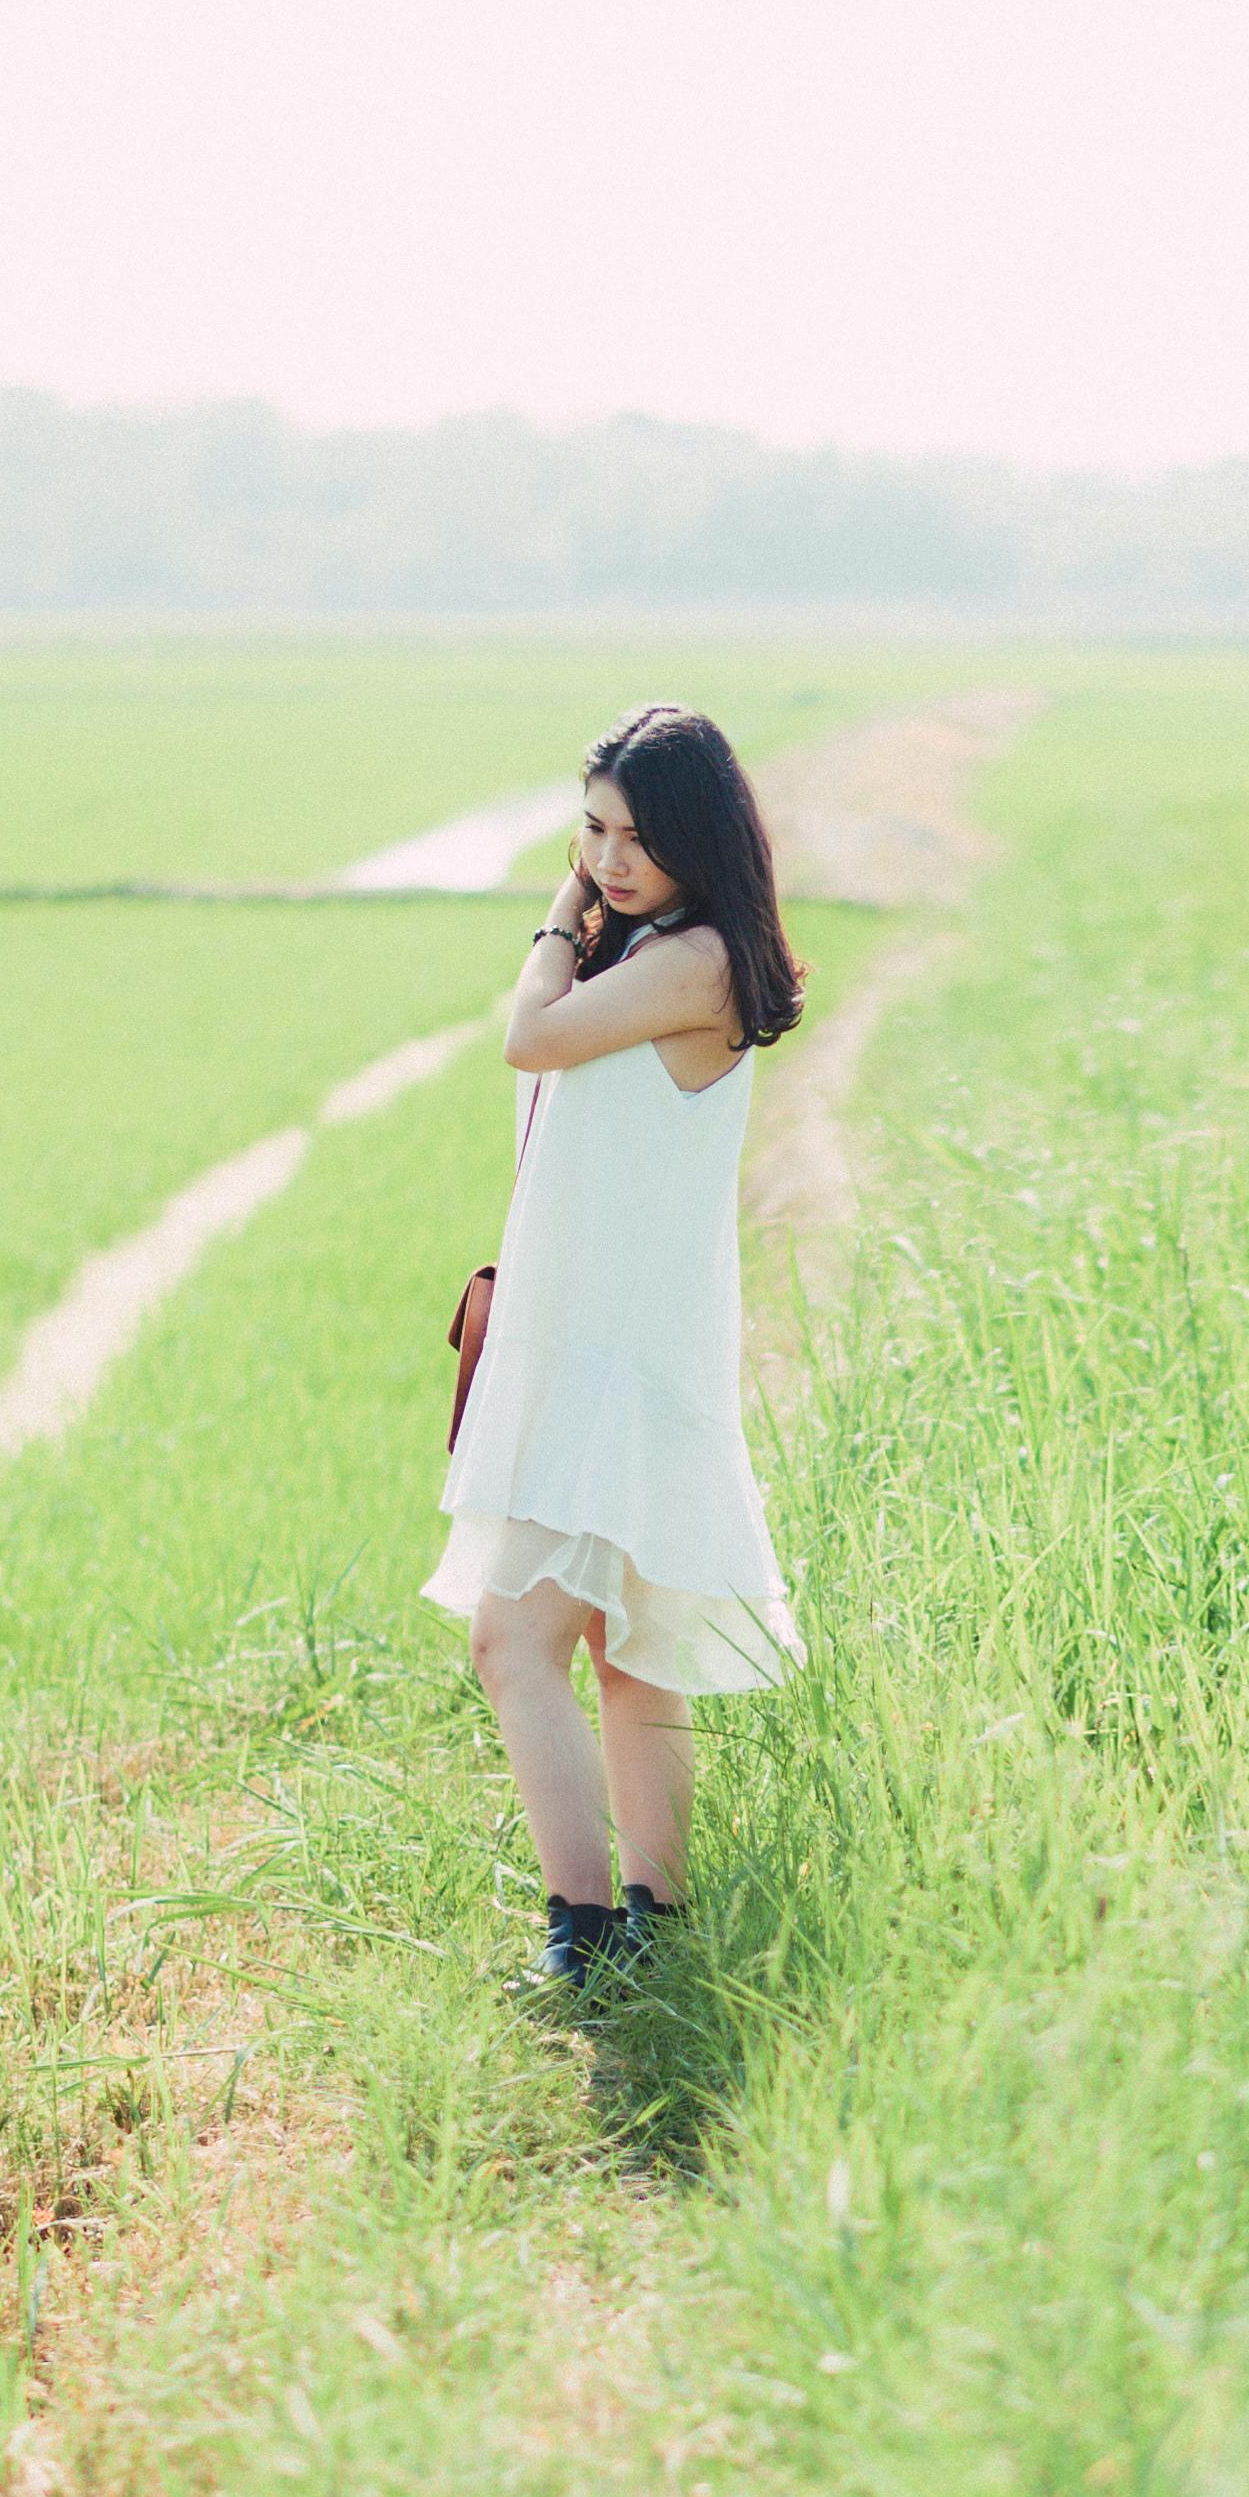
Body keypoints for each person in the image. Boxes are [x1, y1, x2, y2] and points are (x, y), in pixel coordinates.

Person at [426, 701, 807, 1994]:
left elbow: (529, 1035)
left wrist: (550, 919)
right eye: (591, 832)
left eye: (638, 836)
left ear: (702, 838)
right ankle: (653, 1927)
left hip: (616, 1362)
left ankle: (583, 1938)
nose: (609, 859)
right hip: (609, 1347)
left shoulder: (695, 962)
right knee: (629, 1660)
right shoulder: (655, 952)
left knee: (510, 1642)